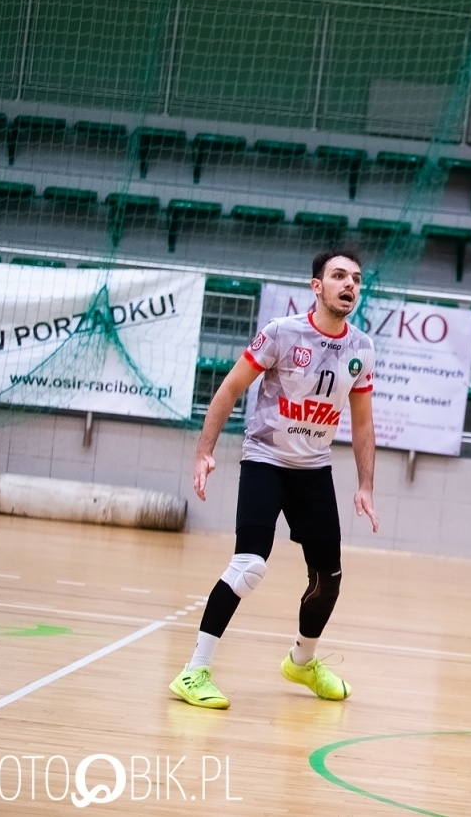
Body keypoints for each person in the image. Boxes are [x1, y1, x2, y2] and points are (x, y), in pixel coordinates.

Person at [170, 250, 379, 710]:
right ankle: (194, 671)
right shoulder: (282, 334)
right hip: (266, 460)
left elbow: (362, 422)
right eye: (339, 276)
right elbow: (229, 387)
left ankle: (302, 662)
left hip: (314, 469)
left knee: (329, 578)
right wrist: (205, 451)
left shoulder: (361, 347)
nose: (349, 285)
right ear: (316, 286)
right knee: (250, 564)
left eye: (357, 279)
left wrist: (365, 485)